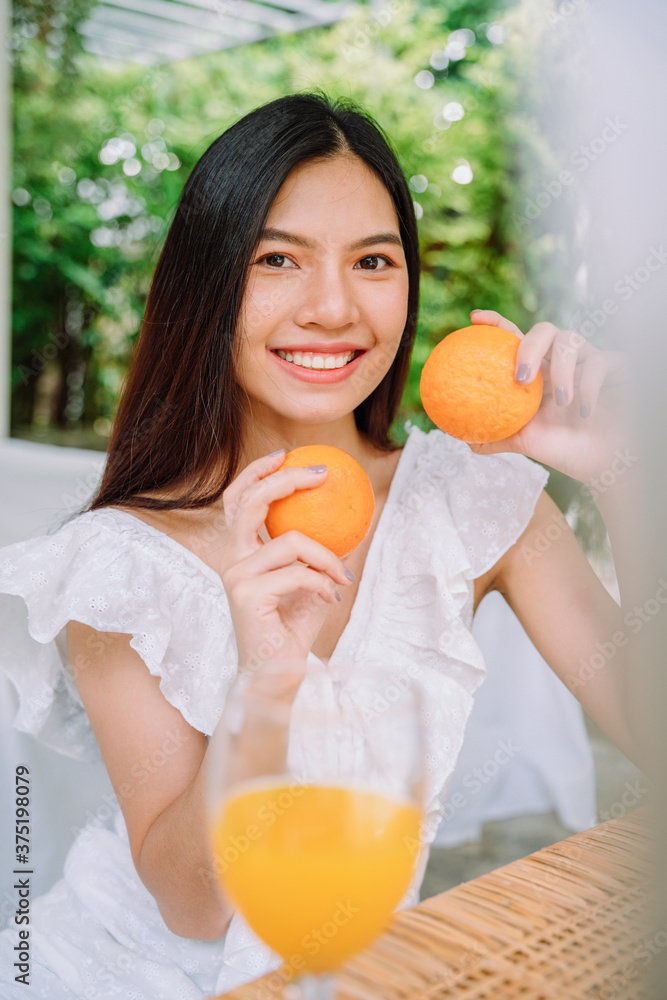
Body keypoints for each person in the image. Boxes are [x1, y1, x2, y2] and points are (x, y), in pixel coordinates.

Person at [0, 92, 640, 998]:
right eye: (276, 260)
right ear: (209, 284)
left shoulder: (466, 501)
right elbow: (192, 906)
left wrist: (623, 475)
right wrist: (266, 680)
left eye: (372, 260)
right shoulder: (119, 560)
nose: (333, 307)